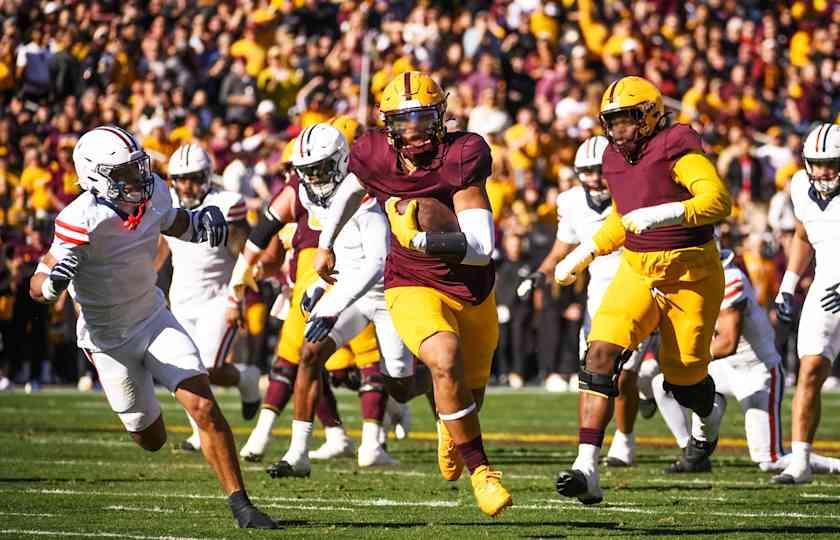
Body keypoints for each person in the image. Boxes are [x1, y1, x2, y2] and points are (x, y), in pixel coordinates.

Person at [29, 126, 276, 529]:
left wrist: (200, 226)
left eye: (136, 167)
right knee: (151, 439)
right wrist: (53, 283)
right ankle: (142, 403)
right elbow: (36, 284)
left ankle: (242, 505)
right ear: (95, 176)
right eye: (124, 172)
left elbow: (174, 221)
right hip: (108, 340)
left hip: (153, 317)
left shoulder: (153, 190)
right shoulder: (78, 218)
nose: (137, 178)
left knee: (203, 405)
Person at [312, 71, 512, 517]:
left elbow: (481, 251)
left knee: (467, 394)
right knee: (443, 357)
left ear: (440, 116)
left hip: (473, 289)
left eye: (422, 119)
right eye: (403, 122)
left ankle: (448, 424)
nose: (414, 132)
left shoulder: (463, 154)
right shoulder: (373, 153)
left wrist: (418, 235)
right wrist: (326, 242)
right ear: (387, 124)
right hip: (411, 282)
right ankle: (483, 472)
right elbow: (351, 188)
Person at [552, 76, 731, 505]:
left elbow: (718, 201)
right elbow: (624, 217)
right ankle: (586, 467)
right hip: (637, 269)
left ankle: (709, 415)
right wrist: (587, 251)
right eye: (611, 121)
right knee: (598, 353)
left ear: (649, 115)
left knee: (684, 379)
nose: (618, 129)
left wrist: (666, 214)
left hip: (691, 275)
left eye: (627, 119)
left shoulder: (675, 145)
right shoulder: (613, 158)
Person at [266, 123, 408, 477]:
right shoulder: (309, 196)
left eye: (321, 169)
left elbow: (376, 264)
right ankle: (298, 452)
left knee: (402, 383)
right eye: (308, 171)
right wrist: (319, 288)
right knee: (309, 353)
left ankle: (417, 399)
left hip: (387, 294)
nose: (314, 178)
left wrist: (330, 305)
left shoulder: (365, 197)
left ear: (343, 161)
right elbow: (336, 253)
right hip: (350, 294)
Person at [518, 135, 649, 467]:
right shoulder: (571, 201)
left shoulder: (632, 191)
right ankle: (590, 449)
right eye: (587, 171)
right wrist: (541, 272)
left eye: (599, 170)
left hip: (635, 284)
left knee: (627, 373)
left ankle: (625, 438)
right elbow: (564, 245)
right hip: (599, 292)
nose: (593, 178)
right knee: (593, 372)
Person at [654, 246, 840, 475]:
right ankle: (693, 451)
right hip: (722, 368)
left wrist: (685, 359)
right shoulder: (690, 277)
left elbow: (727, 342)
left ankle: (834, 465)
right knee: (662, 385)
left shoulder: (730, 278)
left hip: (755, 371)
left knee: (769, 460)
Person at [158, 143, 261, 452]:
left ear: (207, 176)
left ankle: (246, 379)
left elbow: (244, 253)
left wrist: (237, 296)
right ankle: (199, 431)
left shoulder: (227, 203)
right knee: (187, 370)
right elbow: (163, 248)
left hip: (218, 297)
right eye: (181, 178)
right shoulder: (166, 204)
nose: (188, 185)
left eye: (194, 177)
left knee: (208, 367)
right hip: (181, 299)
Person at [771, 123, 840, 485]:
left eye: (831, 163)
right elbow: (803, 235)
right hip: (827, 286)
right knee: (809, 368)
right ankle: (801, 461)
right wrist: (788, 286)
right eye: (817, 163)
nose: (823, 171)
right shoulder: (800, 185)